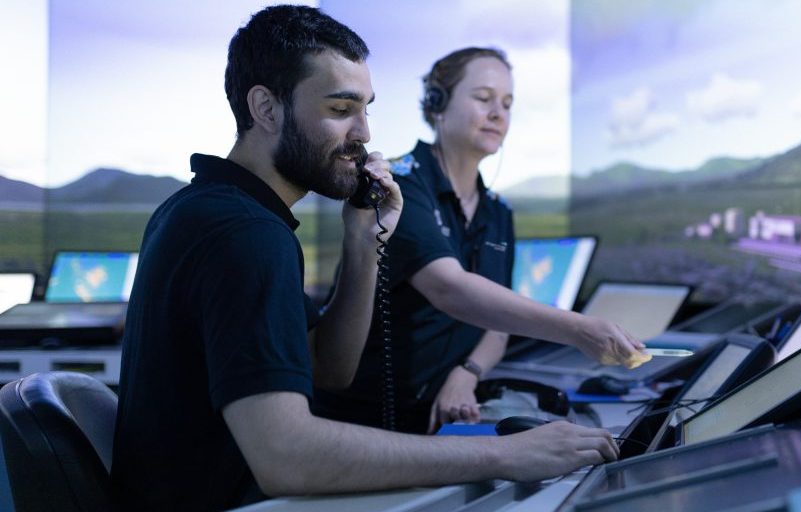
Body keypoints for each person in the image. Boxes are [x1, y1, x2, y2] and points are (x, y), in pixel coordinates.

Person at [110, 6, 618, 511]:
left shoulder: (214, 208)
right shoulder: (243, 233)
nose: (365, 133)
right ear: (266, 109)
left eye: (366, 109)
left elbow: (329, 368)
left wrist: (362, 242)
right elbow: (286, 456)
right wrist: (506, 453)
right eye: (340, 109)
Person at [314, 47, 647, 434]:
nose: (498, 114)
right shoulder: (398, 186)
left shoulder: (498, 212)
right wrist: (578, 329)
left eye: (507, 104)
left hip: (447, 418)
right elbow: (450, 289)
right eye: (483, 98)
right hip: (363, 420)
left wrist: (467, 373)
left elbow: (497, 326)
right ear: (438, 104)